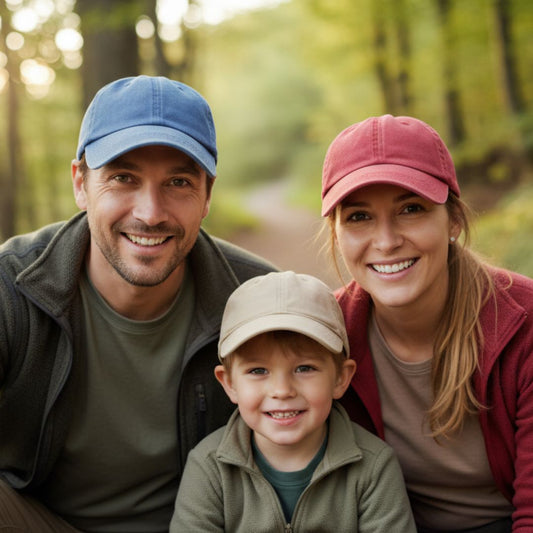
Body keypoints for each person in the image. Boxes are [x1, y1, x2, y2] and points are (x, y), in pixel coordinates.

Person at [0, 75, 277, 532]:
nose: (150, 212)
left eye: (179, 182)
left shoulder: (256, 298)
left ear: (207, 195)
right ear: (80, 183)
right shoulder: (14, 287)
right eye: (123, 178)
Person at [320, 114, 533, 532]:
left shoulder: (523, 324)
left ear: (453, 220)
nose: (386, 241)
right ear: (336, 234)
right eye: (359, 217)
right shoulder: (326, 334)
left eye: (411, 209)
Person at [170, 270, 417, 532]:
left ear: (341, 378)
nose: (282, 390)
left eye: (304, 368)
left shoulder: (374, 466)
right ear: (229, 383)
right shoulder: (209, 467)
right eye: (258, 371)